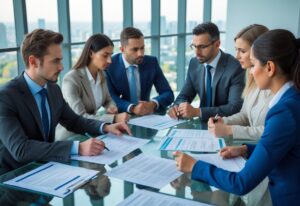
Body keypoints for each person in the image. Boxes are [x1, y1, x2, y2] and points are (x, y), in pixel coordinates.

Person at [174, 29, 300, 205]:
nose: (251, 71)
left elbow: (241, 183)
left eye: (254, 64)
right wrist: (246, 149)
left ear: (270, 68)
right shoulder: (291, 99)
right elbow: (282, 146)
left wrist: (195, 167)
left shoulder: (284, 111)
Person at [0, 29, 131, 174]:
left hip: (46, 170)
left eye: (60, 60)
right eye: (55, 61)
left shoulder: (53, 90)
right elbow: (21, 149)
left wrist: (105, 127)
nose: (61, 67)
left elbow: (74, 121)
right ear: (33, 61)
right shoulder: (6, 97)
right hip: (12, 179)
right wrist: (78, 148)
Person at [56, 34, 129, 140]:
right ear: (91, 53)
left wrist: (111, 107)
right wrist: (114, 118)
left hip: (93, 132)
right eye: (105, 55)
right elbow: (80, 117)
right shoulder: (71, 79)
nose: (110, 60)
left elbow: (108, 100)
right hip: (72, 137)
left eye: (111, 55)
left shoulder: (102, 74)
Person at [168, 22, 245, 121]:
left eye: (202, 47)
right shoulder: (194, 63)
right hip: (201, 127)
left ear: (217, 44)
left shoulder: (235, 67)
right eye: (194, 46)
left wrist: (197, 112)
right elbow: (184, 96)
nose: (197, 52)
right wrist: (176, 107)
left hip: (225, 126)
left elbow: (234, 108)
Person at [208, 24, 273, 140]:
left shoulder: (276, 86)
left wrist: (230, 130)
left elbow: (271, 131)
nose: (237, 56)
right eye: (236, 50)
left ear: (259, 52)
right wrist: (223, 121)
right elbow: (245, 115)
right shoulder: (251, 77)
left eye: (242, 51)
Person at [106, 27, 174, 115]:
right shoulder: (110, 65)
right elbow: (110, 98)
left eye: (142, 48)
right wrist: (132, 108)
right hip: (120, 116)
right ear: (122, 49)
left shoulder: (151, 62)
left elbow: (168, 93)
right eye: (135, 49)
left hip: (147, 116)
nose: (140, 53)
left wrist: (153, 104)